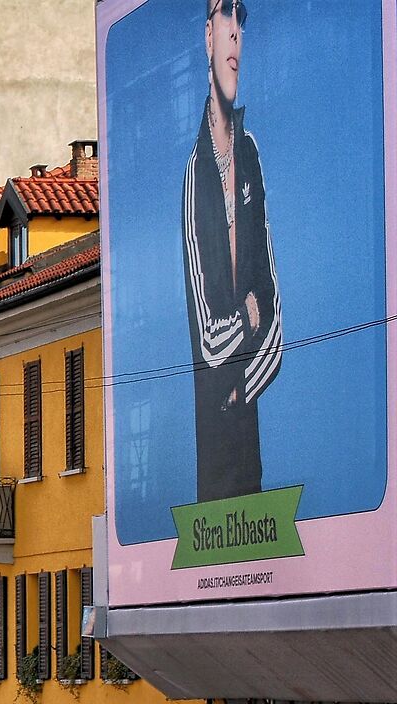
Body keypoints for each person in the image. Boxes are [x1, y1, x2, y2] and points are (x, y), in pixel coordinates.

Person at [182, 0, 282, 503]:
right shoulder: (195, 172)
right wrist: (247, 319)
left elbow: (276, 315)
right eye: (227, 14)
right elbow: (208, 338)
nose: (236, 33)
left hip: (251, 453)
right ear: (207, 35)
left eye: (242, 19)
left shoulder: (250, 154)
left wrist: (243, 382)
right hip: (213, 467)